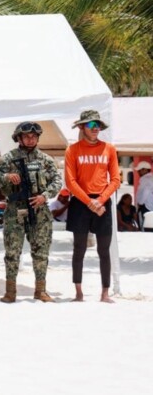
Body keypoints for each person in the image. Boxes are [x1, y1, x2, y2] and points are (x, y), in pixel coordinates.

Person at [0, 122, 62, 303]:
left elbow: (56, 182)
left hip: (39, 209)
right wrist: (7, 177)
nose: (30, 139)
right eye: (26, 136)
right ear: (19, 138)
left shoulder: (46, 160)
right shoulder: (8, 159)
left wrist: (44, 196)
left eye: (33, 136)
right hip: (15, 209)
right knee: (12, 252)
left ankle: (41, 290)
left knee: (41, 252)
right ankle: (10, 292)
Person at [65, 110, 121, 303]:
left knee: (103, 250)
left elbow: (115, 180)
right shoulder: (72, 150)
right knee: (79, 248)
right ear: (81, 127)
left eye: (97, 124)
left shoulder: (109, 149)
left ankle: (105, 293)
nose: (95, 128)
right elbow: (70, 182)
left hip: (102, 202)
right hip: (81, 203)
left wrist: (101, 200)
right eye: (90, 125)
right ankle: (79, 292)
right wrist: (90, 202)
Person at [134, 161, 152, 229]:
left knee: (144, 226)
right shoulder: (150, 178)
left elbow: (146, 192)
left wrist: (140, 203)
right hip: (149, 206)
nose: (138, 172)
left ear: (145, 169)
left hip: (145, 206)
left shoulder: (146, 179)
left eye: (140, 170)